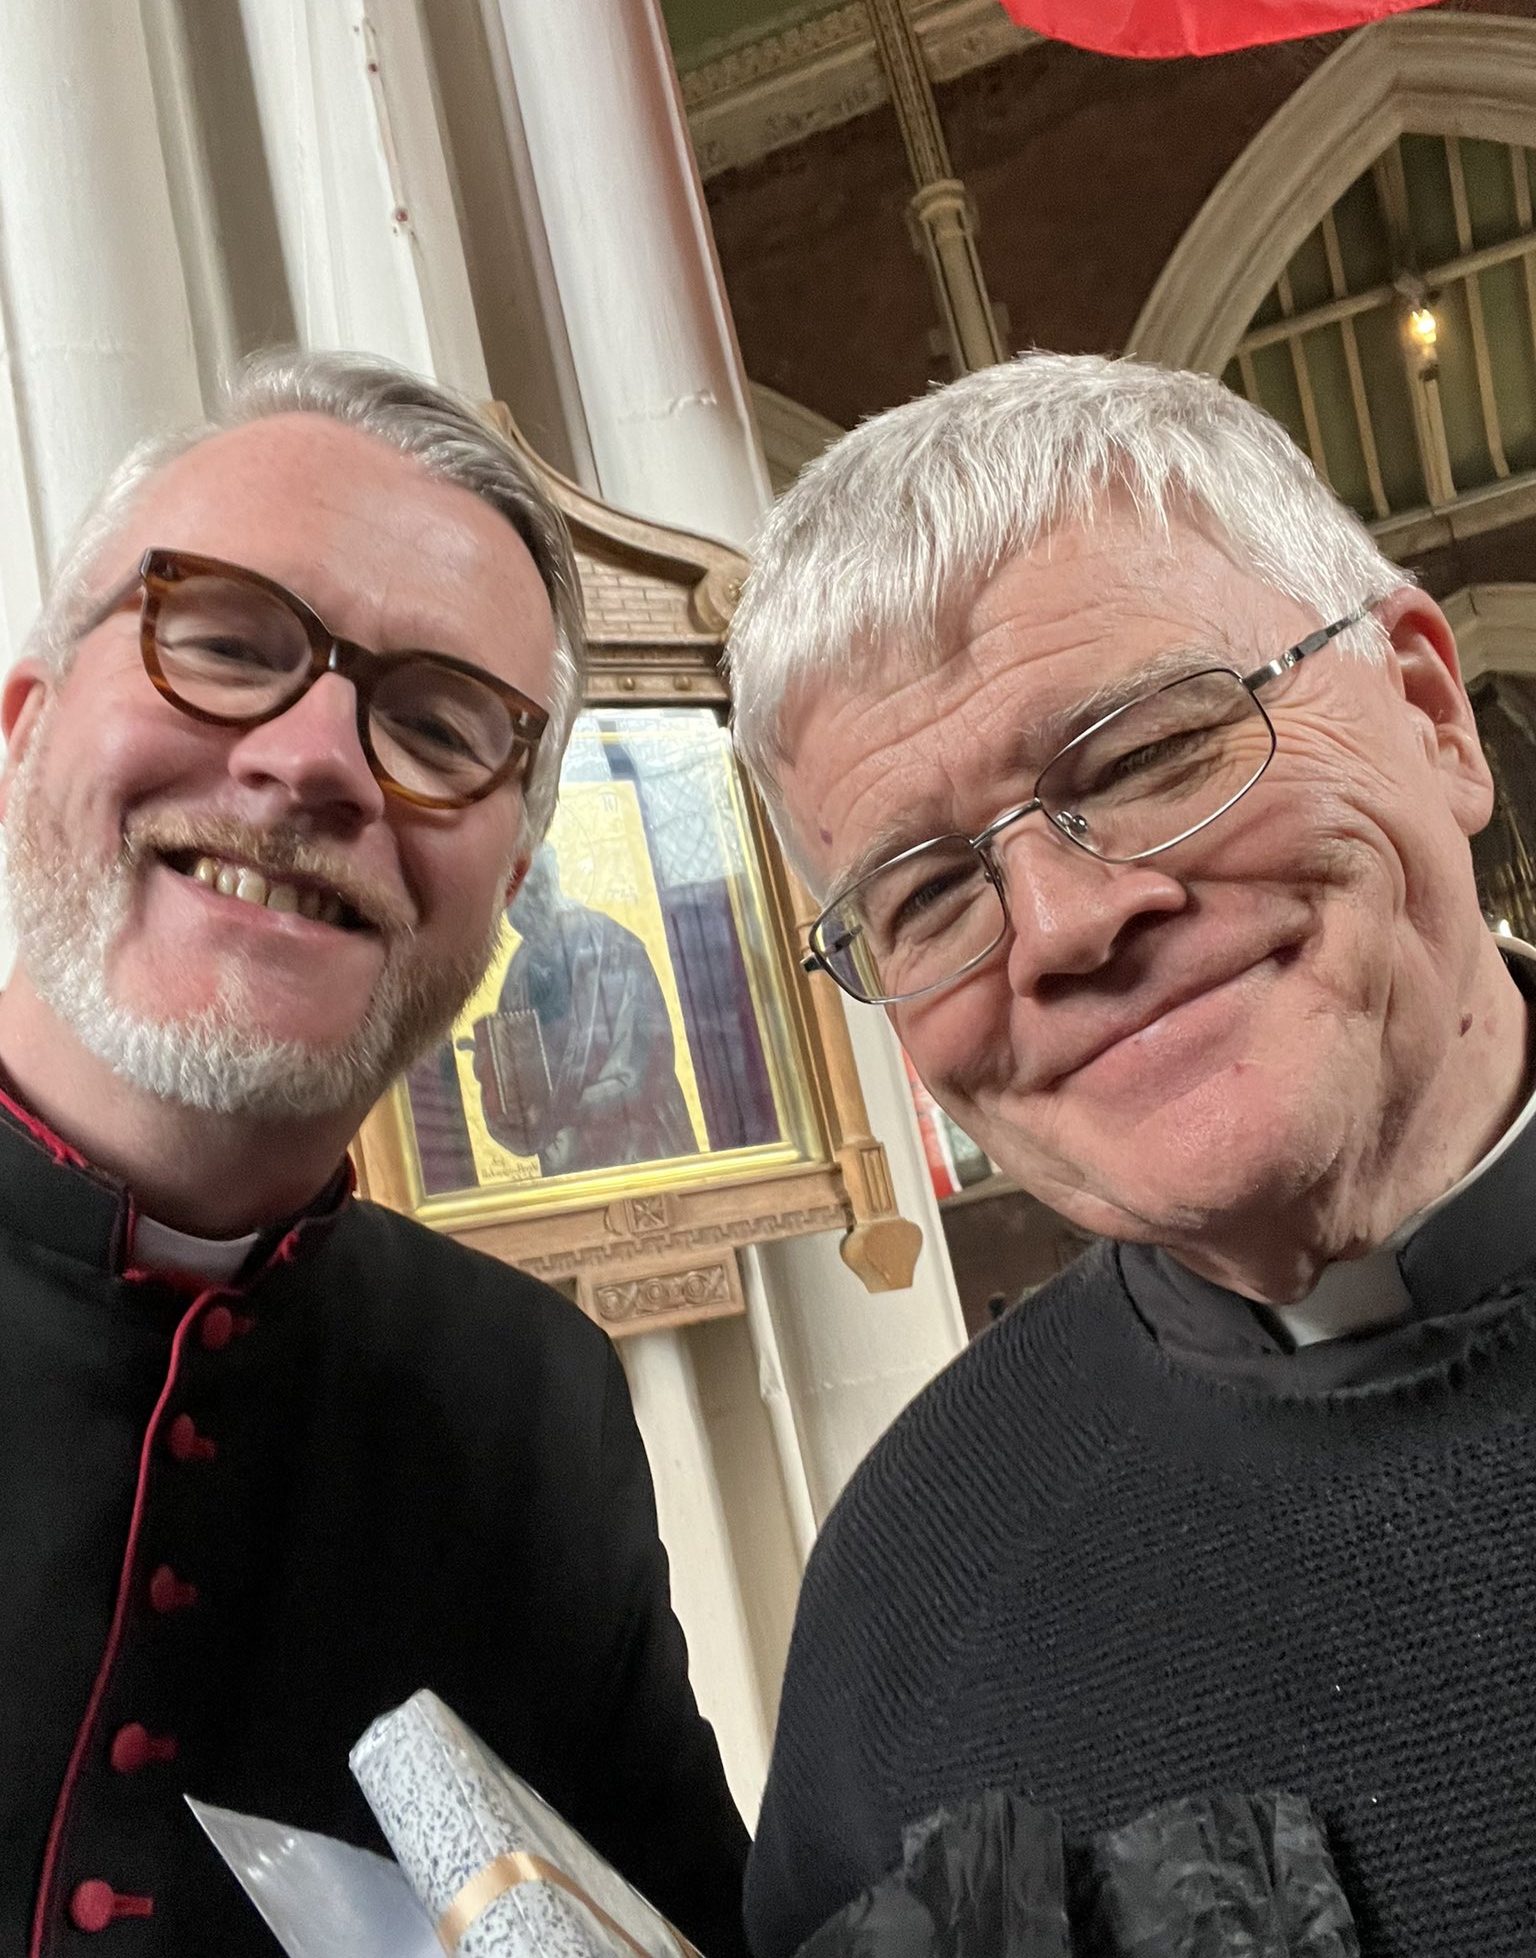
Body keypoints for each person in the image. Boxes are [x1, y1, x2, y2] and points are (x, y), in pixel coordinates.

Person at [728, 351, 1536, 1957]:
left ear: (1433, 716)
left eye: (1149, 754)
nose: (1064, 925)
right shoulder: (908, 1583)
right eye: (929, 895)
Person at [0, 353, 748, 1955]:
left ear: (510, 884)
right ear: (25, 726)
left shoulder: (531, 1398)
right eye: (223, 643)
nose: (316, 759)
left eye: (440, 724)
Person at [474, 843, 697, 1175]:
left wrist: (560, 1112)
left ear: (546, 886)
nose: (515, 907)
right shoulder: (521, 970)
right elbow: (518, 1087)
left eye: (525, 889)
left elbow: (639, 1068)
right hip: (568, 1163)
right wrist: (496, 1076)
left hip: (640, 1151)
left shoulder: (615, 947)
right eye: (507, 897)